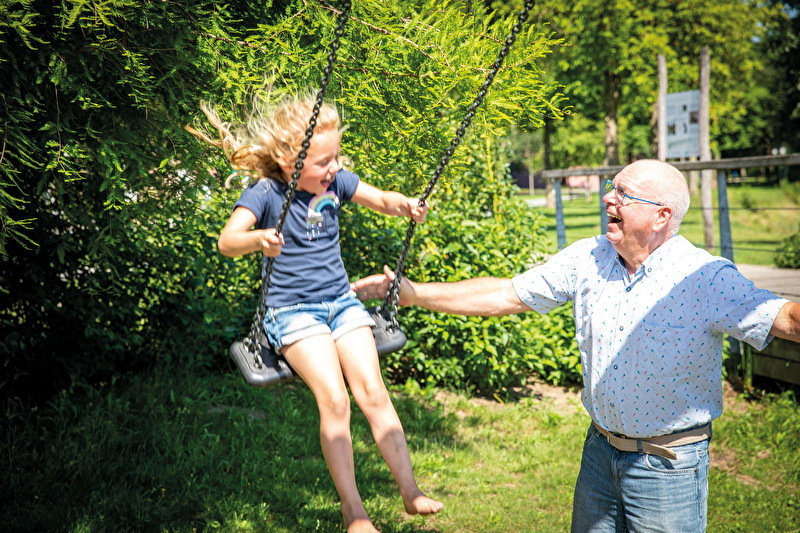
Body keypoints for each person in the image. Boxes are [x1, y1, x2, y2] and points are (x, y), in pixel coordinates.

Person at [351, 159, 800, 533]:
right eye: (611, 188)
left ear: (662, 216)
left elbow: (785, 318)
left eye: (624, 194)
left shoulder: (705, 278)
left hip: (669, 468)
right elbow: (505, 295)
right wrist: (412, 293)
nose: (609, 199)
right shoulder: (589, 258)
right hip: (600, 454)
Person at [188, 92, 443, 533]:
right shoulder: (266, 193)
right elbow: (227, 242)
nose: (336, 167)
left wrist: (405, 205)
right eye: (325, 161)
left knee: (373, 392)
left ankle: (410, 490)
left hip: (342, 304)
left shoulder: (336, 183)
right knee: (336, 399)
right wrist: (258, 240)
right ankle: (354, 511)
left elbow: (380, 198)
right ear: (291, 161)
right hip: (291, 314)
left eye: (337, 157)